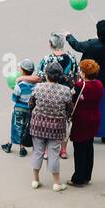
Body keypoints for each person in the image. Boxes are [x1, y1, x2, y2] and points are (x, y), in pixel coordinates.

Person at [68, 20, 105, 141]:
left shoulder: (92, 45)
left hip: (94, 81)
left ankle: (91, 132)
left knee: (91, 109)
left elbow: (77, 45)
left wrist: (68, 36)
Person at [27, 62, 74, 191]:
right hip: (56, 127)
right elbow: (70, 109)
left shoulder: (38, 87)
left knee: (37, 152)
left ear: (46, 75)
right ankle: (56, 183)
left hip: (38, 125)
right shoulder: (65, 91)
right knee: (53, 153)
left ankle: (35, 180)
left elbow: (31, 104)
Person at [69, 59, 104, 186]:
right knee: (89, 146)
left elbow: (72, 99)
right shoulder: (99, 84)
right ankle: (87, 175)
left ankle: (78, 177)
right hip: (94, 117)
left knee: (79, 149)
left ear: (84, 73)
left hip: (81, 119)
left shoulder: (80, 86)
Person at [6, 59, 36, 156]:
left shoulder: (19, 85)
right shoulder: (36, 85)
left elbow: (14, 98)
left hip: (19, 109)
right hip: (29, 109)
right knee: (25, 127)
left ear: (22, 71)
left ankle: (10, 145)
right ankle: (22, 148)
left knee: (16, 126)